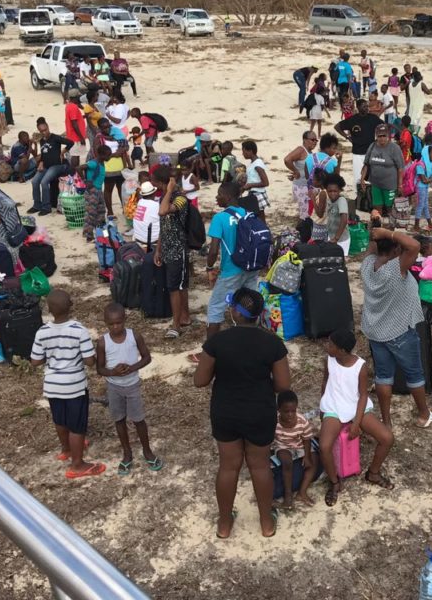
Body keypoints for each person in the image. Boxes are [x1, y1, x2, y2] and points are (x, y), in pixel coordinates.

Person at [194, 287, 290, 538]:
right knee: (260, 466)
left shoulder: (217, 342)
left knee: (228, 467)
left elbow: (200, 381)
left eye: (231, 306)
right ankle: (266, 522)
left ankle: (224, 524)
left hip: (225, 412)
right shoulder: (272, 343)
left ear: (236, 312)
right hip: (259, 412)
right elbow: (283, 385)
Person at [360, 227, 432, 429]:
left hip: (375, 331)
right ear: (395, 251)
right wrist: (387, 232)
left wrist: (378, 232)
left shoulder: (367, 265)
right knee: (415, 374)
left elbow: (373, 244)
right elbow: (415, 246)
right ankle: (423, 414)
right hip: (399, 331)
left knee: (383, 376)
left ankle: (386, 421)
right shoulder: (395, 270)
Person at [30, 289, 105, 479]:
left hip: (53, 385)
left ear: (49, 309)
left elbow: (35, 361)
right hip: (74, 385)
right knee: (77, 426)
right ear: (71, 305)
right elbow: (89, 361)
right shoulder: (79, 331)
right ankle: (78, 464)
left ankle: (66, 450)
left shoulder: (42, 332)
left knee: (60, 419)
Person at [318, 328, 396, 506]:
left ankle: (373, 473)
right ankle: (334, 482)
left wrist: (356, 422)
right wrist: (322, 406)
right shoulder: (329, 360)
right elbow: (325, 382)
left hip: (355, 405)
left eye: (331, 344)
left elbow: (362, 395)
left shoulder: (360, 366)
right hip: (334, 406)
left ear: (343, 351)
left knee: (387, 438)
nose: (327, 346)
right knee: (324, 446)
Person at [96, 303, 162, 475]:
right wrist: (113, 372)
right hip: (114, 386)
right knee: (119, 420)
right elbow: (99, 369)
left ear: (125, 320)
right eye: (111, 324)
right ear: (105, 323)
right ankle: (127, 453)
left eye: (119, 323)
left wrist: (132, 368)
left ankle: (147, 451)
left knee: (139, 420)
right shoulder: (103, 342)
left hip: (132, 385)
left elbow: (147, 357)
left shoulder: (135, 336)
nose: (115, 327)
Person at [203, 182, 262, 340]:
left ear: (228, 197)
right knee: (248, 306)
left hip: (231, 269)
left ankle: (209, 350)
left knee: (215, 308)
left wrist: (209, 267)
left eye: (219, 194)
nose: (217, 197)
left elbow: (214, 250)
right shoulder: (248, 214)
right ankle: (250, 342)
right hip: (251, 268)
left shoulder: (220, 218)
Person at [155, 177, 192, 337]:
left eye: (157, 183)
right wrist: (158, 249)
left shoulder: (181, 199)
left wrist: (169, 190)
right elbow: (163, 226)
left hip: (179, 249)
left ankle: (176, 325)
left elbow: (163, 212)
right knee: (178, 286)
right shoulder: (164, 198)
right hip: (168, 249)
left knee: (175, 287)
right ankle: (184, 316)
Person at [273, 391, 318, 508]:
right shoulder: (274, 421)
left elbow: (307, 439)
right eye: (286, 411)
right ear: (279, 409)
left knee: (313, 461)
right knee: (287, 462)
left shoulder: (302, 421)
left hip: (299, 445)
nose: (290, 415)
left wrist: (307, 456)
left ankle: (302, 492)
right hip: (283, 446)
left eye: (293, 411)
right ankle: (288, 495)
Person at [335, 99, 383, 193]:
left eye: (367, 106)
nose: (366, 108)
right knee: (358, 176)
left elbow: (383, 126)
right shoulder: (353, 119)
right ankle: (359, 197)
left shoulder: (373, 118)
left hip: (371, 152)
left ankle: (370, 196)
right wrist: (347, 137)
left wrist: (379, 139)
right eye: (364, 106)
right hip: (357, 153)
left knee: (371, 176)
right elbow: (337, 127)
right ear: (358, 107)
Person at [29, 121, 73, 216]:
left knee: (44, 182)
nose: (44, 132)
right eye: (42, 131)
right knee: (34, 181)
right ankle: (37, 205)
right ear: (39, 131)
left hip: (57, 166)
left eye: (45, 130)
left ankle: (46, 207)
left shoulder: (55, 137)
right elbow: (44, 153)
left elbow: (70, 143)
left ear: (48, 127)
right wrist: (41, 162)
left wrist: (63, 151)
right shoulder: (42, 140)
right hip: (46, 166)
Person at [361, 124, 404, 217]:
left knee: (390, 209)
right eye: (379, 136)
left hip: (390, 186)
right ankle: (379, 228)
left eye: (384, 135)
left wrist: (400, 185)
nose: (382, 138)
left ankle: (390, 230)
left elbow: (400, 168)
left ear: (388, 135)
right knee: (377, 209)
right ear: (376, 136)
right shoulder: (372, 146)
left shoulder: (394, 148)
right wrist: (362, 179)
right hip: (375, 184)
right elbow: (366, 164)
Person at [80, 144, 110, 242]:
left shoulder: (101, 163)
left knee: (101, 211)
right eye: (108, 155)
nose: (109, 157)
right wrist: (85, 180)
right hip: (92, 191)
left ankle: (101, 232)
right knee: (91, 213)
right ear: (101, 155)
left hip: (99, 191)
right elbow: (79, 168)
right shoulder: (94, 163)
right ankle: (89, 235)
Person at [284, 131, 317, 217]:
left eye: (316, 140)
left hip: (308, 187)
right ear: (305, 140)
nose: (315, 142)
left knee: (310, 212)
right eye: (312, 140)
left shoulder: (310, 153)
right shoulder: (301, 150)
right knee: (305, 214)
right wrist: (295, 171)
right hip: (302, 187)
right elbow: (287, 160)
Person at [319, 173, 351, 254]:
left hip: (341, 239)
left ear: (340, 190)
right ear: (326, 190)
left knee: (341, 260)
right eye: (330, 191)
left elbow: (344, 220)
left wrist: (336, 238)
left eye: (335, 191)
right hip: (331, 236)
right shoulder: (329, 200)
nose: (332, 193)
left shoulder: (341, 201)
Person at [239, 141, 270, 219]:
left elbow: (266, 182)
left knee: (260, 218)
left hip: (257, 194)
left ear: (250, 151)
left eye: (244, 151)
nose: (243, 154)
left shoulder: (257, 165)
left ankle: (264, 230)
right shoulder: (253, 163)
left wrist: (250, 185)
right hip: (253, 193)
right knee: (255, 217)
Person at [404, 67, 432, 133]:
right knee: (417, 119)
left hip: (412, 104)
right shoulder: (421, 84)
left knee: (411, 118)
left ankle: (410, 132)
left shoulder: (410, 84)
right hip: (419, 104)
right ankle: (415, 133)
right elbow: (428, 92)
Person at [63, 89, 88, 168]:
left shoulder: (69, 105)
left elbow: (75, 119)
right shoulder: (73, 107)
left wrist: (84, 116)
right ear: (76, 97)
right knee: (76, 155)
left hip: (72, 135)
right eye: (78, 96)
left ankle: (75, 171)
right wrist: (81, 138)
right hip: (76, 137)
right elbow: (74, 124)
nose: (79, 97)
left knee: (76, 155)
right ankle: (75, 172)